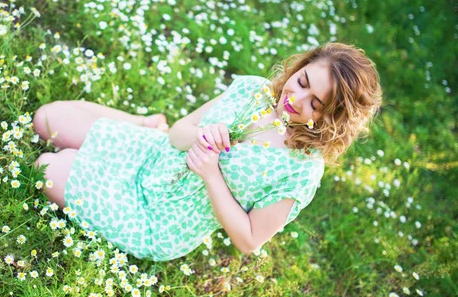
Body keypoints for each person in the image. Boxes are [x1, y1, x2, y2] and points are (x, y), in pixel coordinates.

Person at [32, 42, 382, 261]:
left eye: (315, 104)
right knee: (46, 118)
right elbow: (178, 134)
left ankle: (91, 158)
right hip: (150, 156)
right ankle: (143, 122)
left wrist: (212, 174)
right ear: (300, 67)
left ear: (331, 119)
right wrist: (200, 136)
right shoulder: (253, 90)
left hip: (159, 220)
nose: (295, 99)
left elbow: (249, 239)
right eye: (302, 82)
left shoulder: (301, 169)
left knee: (48, 167)